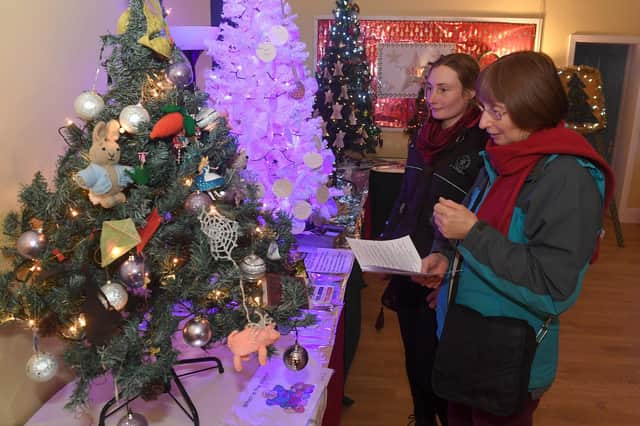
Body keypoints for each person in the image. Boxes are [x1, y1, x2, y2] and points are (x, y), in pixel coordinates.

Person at [421, 51, 615, 425]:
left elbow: (552, 287)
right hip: (467, 339)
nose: (482, 124)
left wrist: (471, 234)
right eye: (483, 109)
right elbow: (479, 232)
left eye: (497, 112)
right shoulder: (503, 157)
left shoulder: (566, 178)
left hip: (510, 356)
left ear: (533, 109)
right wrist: (446, 256)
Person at [380, 53, 489, 426]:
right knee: (414, 356)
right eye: (429, 88)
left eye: (444, 89)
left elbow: (481, 215)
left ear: (471, 94)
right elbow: (406, 196)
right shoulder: (423, 134)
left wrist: (450, 267)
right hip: (407, 260)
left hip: (442, 270)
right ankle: (422, 418)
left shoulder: (481, 144)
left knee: (437, 363)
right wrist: (388, 243)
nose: (433, 97)